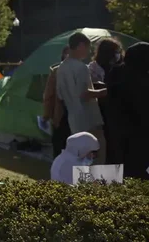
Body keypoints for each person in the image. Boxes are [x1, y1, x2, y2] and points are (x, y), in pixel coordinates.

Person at [56, 33, 107, 163]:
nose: (88, 51)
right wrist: (104, 91)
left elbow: (60, 95)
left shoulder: (61, 67)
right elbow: (85, 94)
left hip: (73, 119)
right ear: (80, 46)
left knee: (80, 156)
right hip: (89, 118)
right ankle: (99, 182)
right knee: (98, 154)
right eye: (87, 47)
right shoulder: (81, 67)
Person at [105, 42, 149, 179]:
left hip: (114, 131)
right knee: (137, 172)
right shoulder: (142, 78)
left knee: (116, 173)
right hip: (138, 135)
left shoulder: (115, 72)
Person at [43, 46, 71, 157]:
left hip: (75, 114)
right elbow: (49, 95)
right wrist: (47, 114)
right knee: (59, 143)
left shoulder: (83, 69)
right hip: (60, 113)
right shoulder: (56, 71)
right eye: (67, 53)